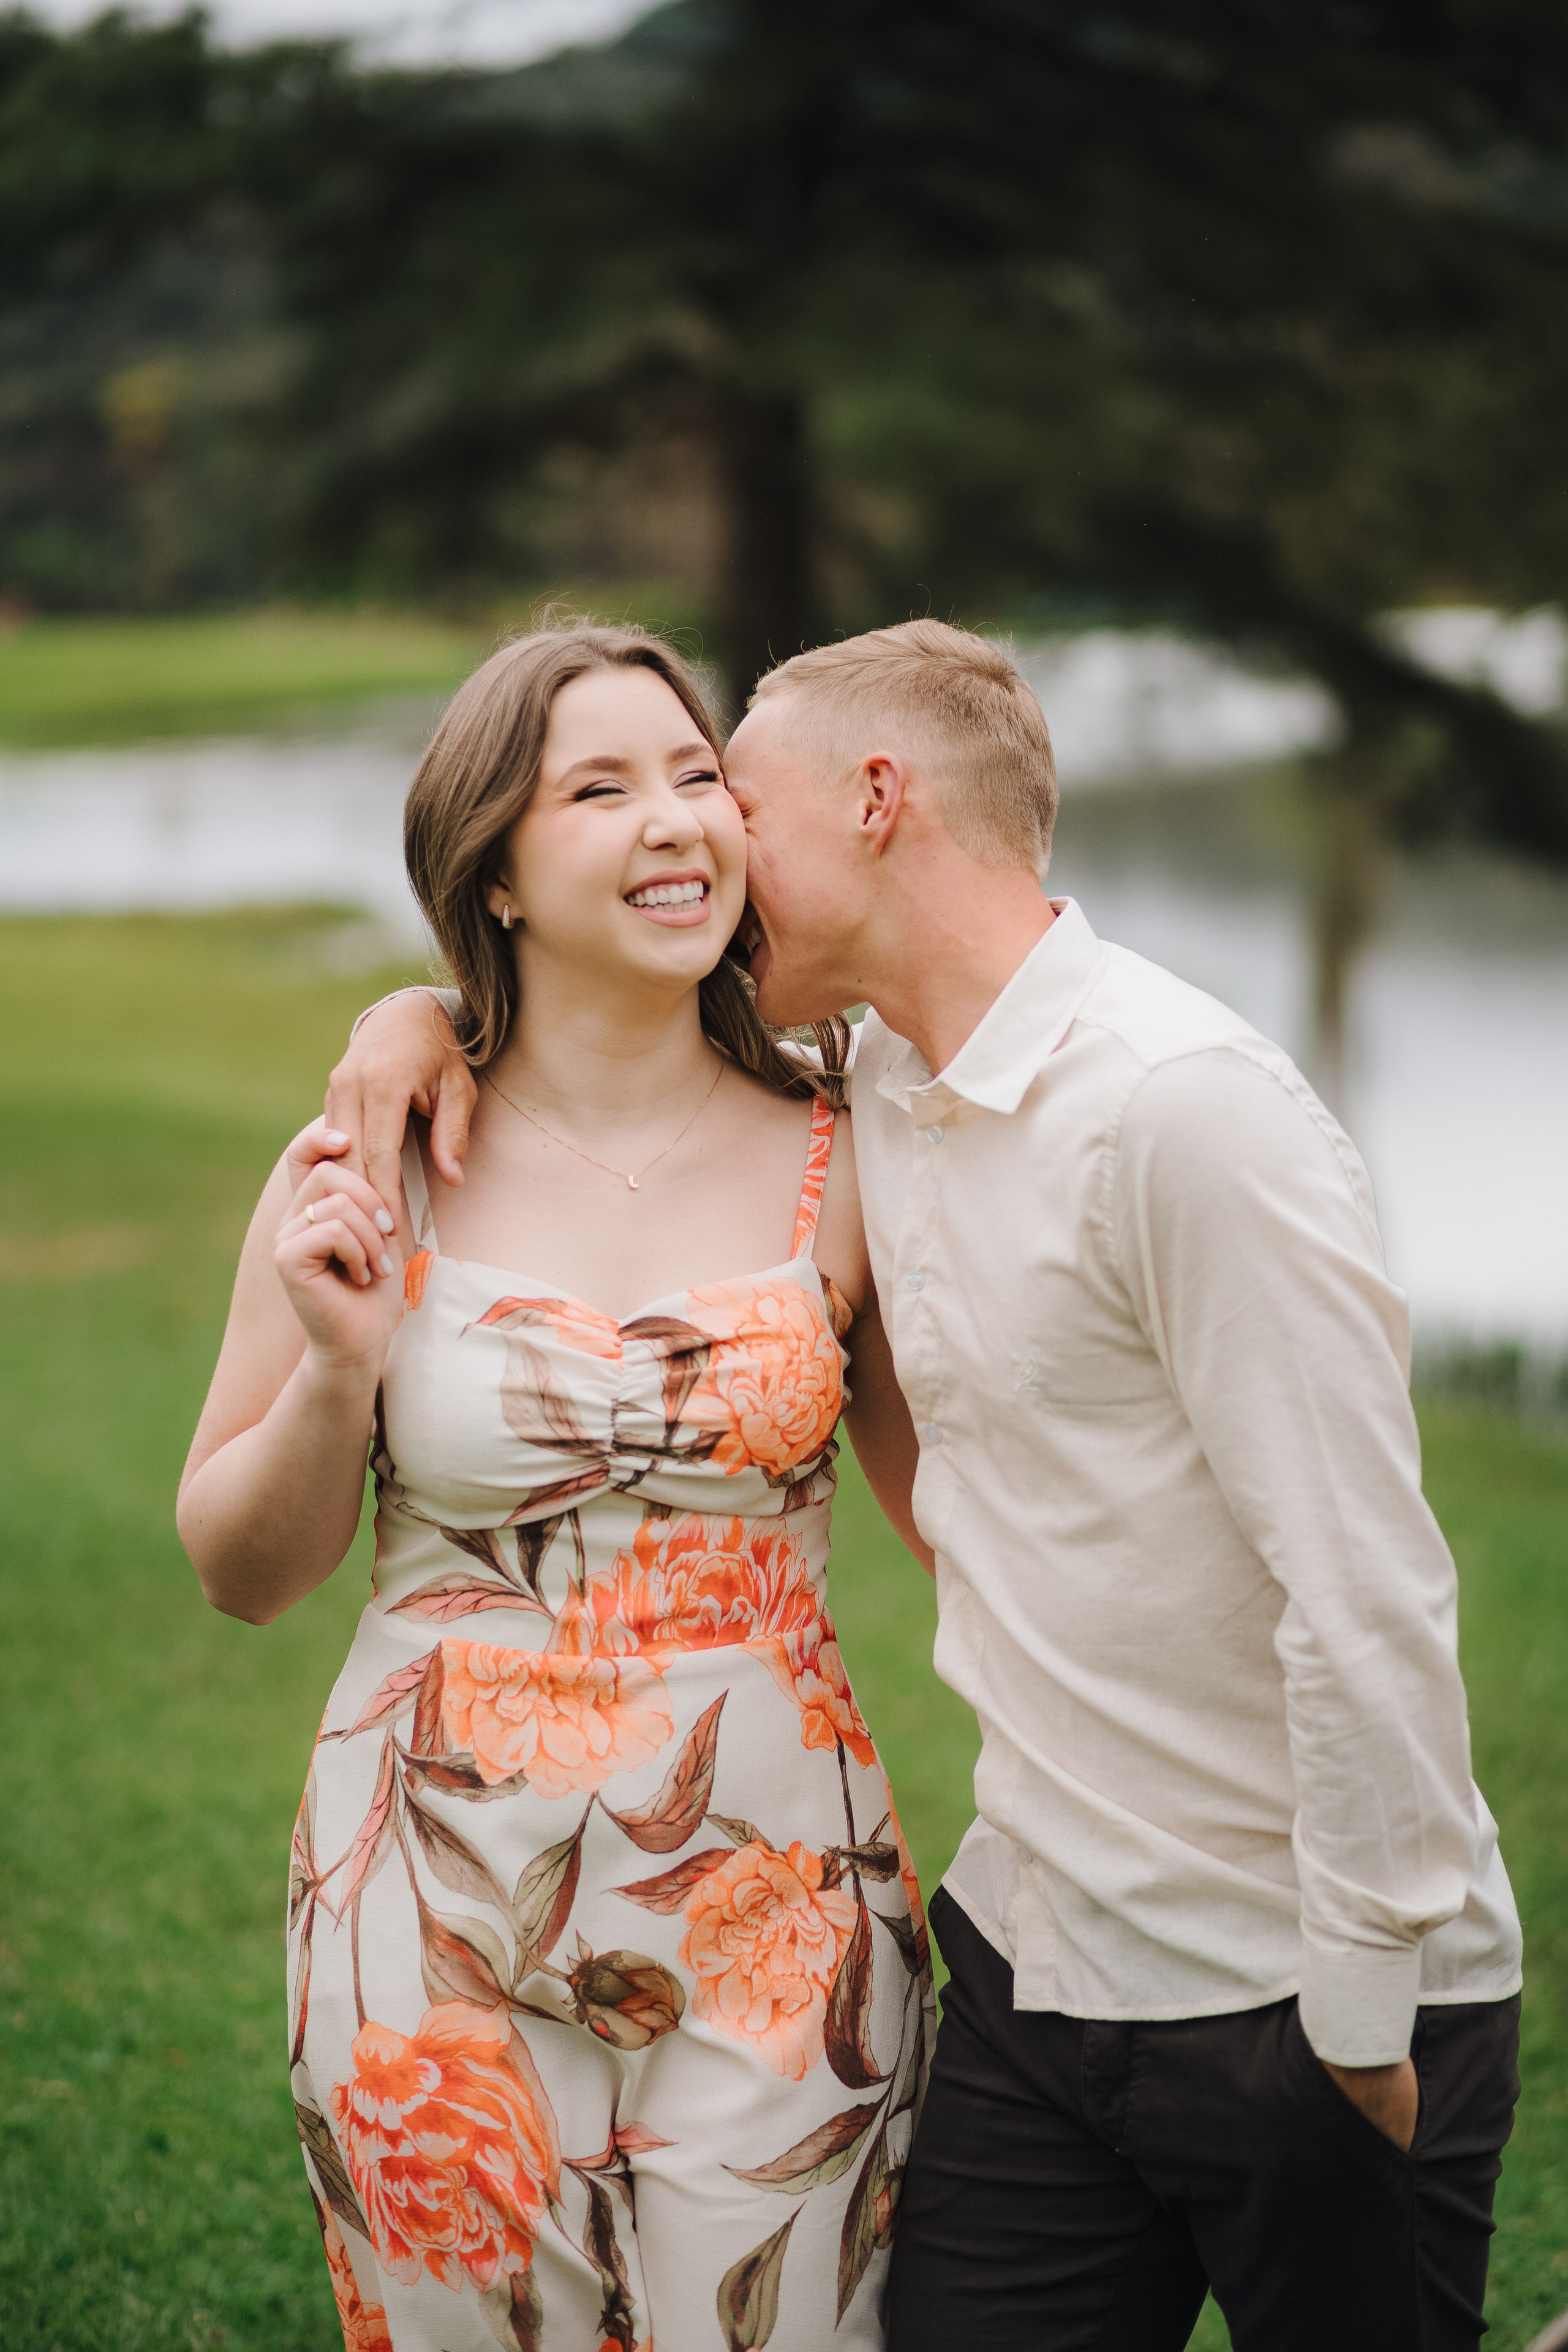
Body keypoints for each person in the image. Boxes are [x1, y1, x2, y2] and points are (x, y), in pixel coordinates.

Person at [337, 616, 1525, 2352]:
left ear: (877, 801)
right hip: (1040, 1969)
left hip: (1301, 1992)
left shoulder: (1185, 1115)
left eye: (730, 798)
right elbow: (573, 989)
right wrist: (410, 1022)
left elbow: (1367, 1594)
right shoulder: (878, 1079)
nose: (709, 853)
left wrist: (1359, 2020)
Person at [177, 624, 936, 2352]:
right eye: (598, 789)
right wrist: (340, 1372)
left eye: (696, 778)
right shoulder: (365, 1166)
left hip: (779, 1904)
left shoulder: (853, 1150)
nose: (674, 822)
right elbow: (237, 1566)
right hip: (424, 1909)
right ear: (494, 875)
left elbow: (960, 1523)